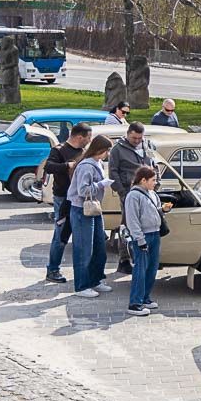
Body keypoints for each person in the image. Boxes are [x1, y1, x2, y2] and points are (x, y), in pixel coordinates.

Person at [42, 122, 92, 283]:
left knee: (83, 235)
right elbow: (48, 167)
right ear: (79, 137)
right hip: (63, 198)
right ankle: (53, 270)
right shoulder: (59, 150)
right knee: (61, 234)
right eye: (88, 138)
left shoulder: (83, 151)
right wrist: (67, 166)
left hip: (79, 198)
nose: (89, 141)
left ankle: (85, 272)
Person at [68, 135, 114, 298]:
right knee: (84, 249)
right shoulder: (86, 166)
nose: (108, 154)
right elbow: (82, 190)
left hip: (93, 208)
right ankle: (82, 285)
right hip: (82, 210)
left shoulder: (97, 163)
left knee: (98, 247)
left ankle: (95, 280)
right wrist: (101, 184)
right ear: (100, 150)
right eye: (107, 150)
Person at [109, 122, 154, 275]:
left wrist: (156, 183)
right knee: (128, 225)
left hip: (147, 192)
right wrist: (122, 192)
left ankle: (142, 256)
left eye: (139, 138)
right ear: (128, 134)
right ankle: (124, 259)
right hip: (129, 193)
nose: (136, 141)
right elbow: (113, 172)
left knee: (145, 224)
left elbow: (154, 165)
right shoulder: (118, 149)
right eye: (134, 138)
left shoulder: (147, 145)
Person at [125, 166, 164, 316]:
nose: (155, 183)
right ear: (143, 180)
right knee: (140, 270)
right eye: (153, 180)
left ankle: (145, 297)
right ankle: (135, 303)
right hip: (143, 236)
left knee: (152, 268)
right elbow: (132, 220)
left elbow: (155, 210)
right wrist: (140, 239)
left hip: (155, 233)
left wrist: (163, 210)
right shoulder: (133, 196)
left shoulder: (152, 193)